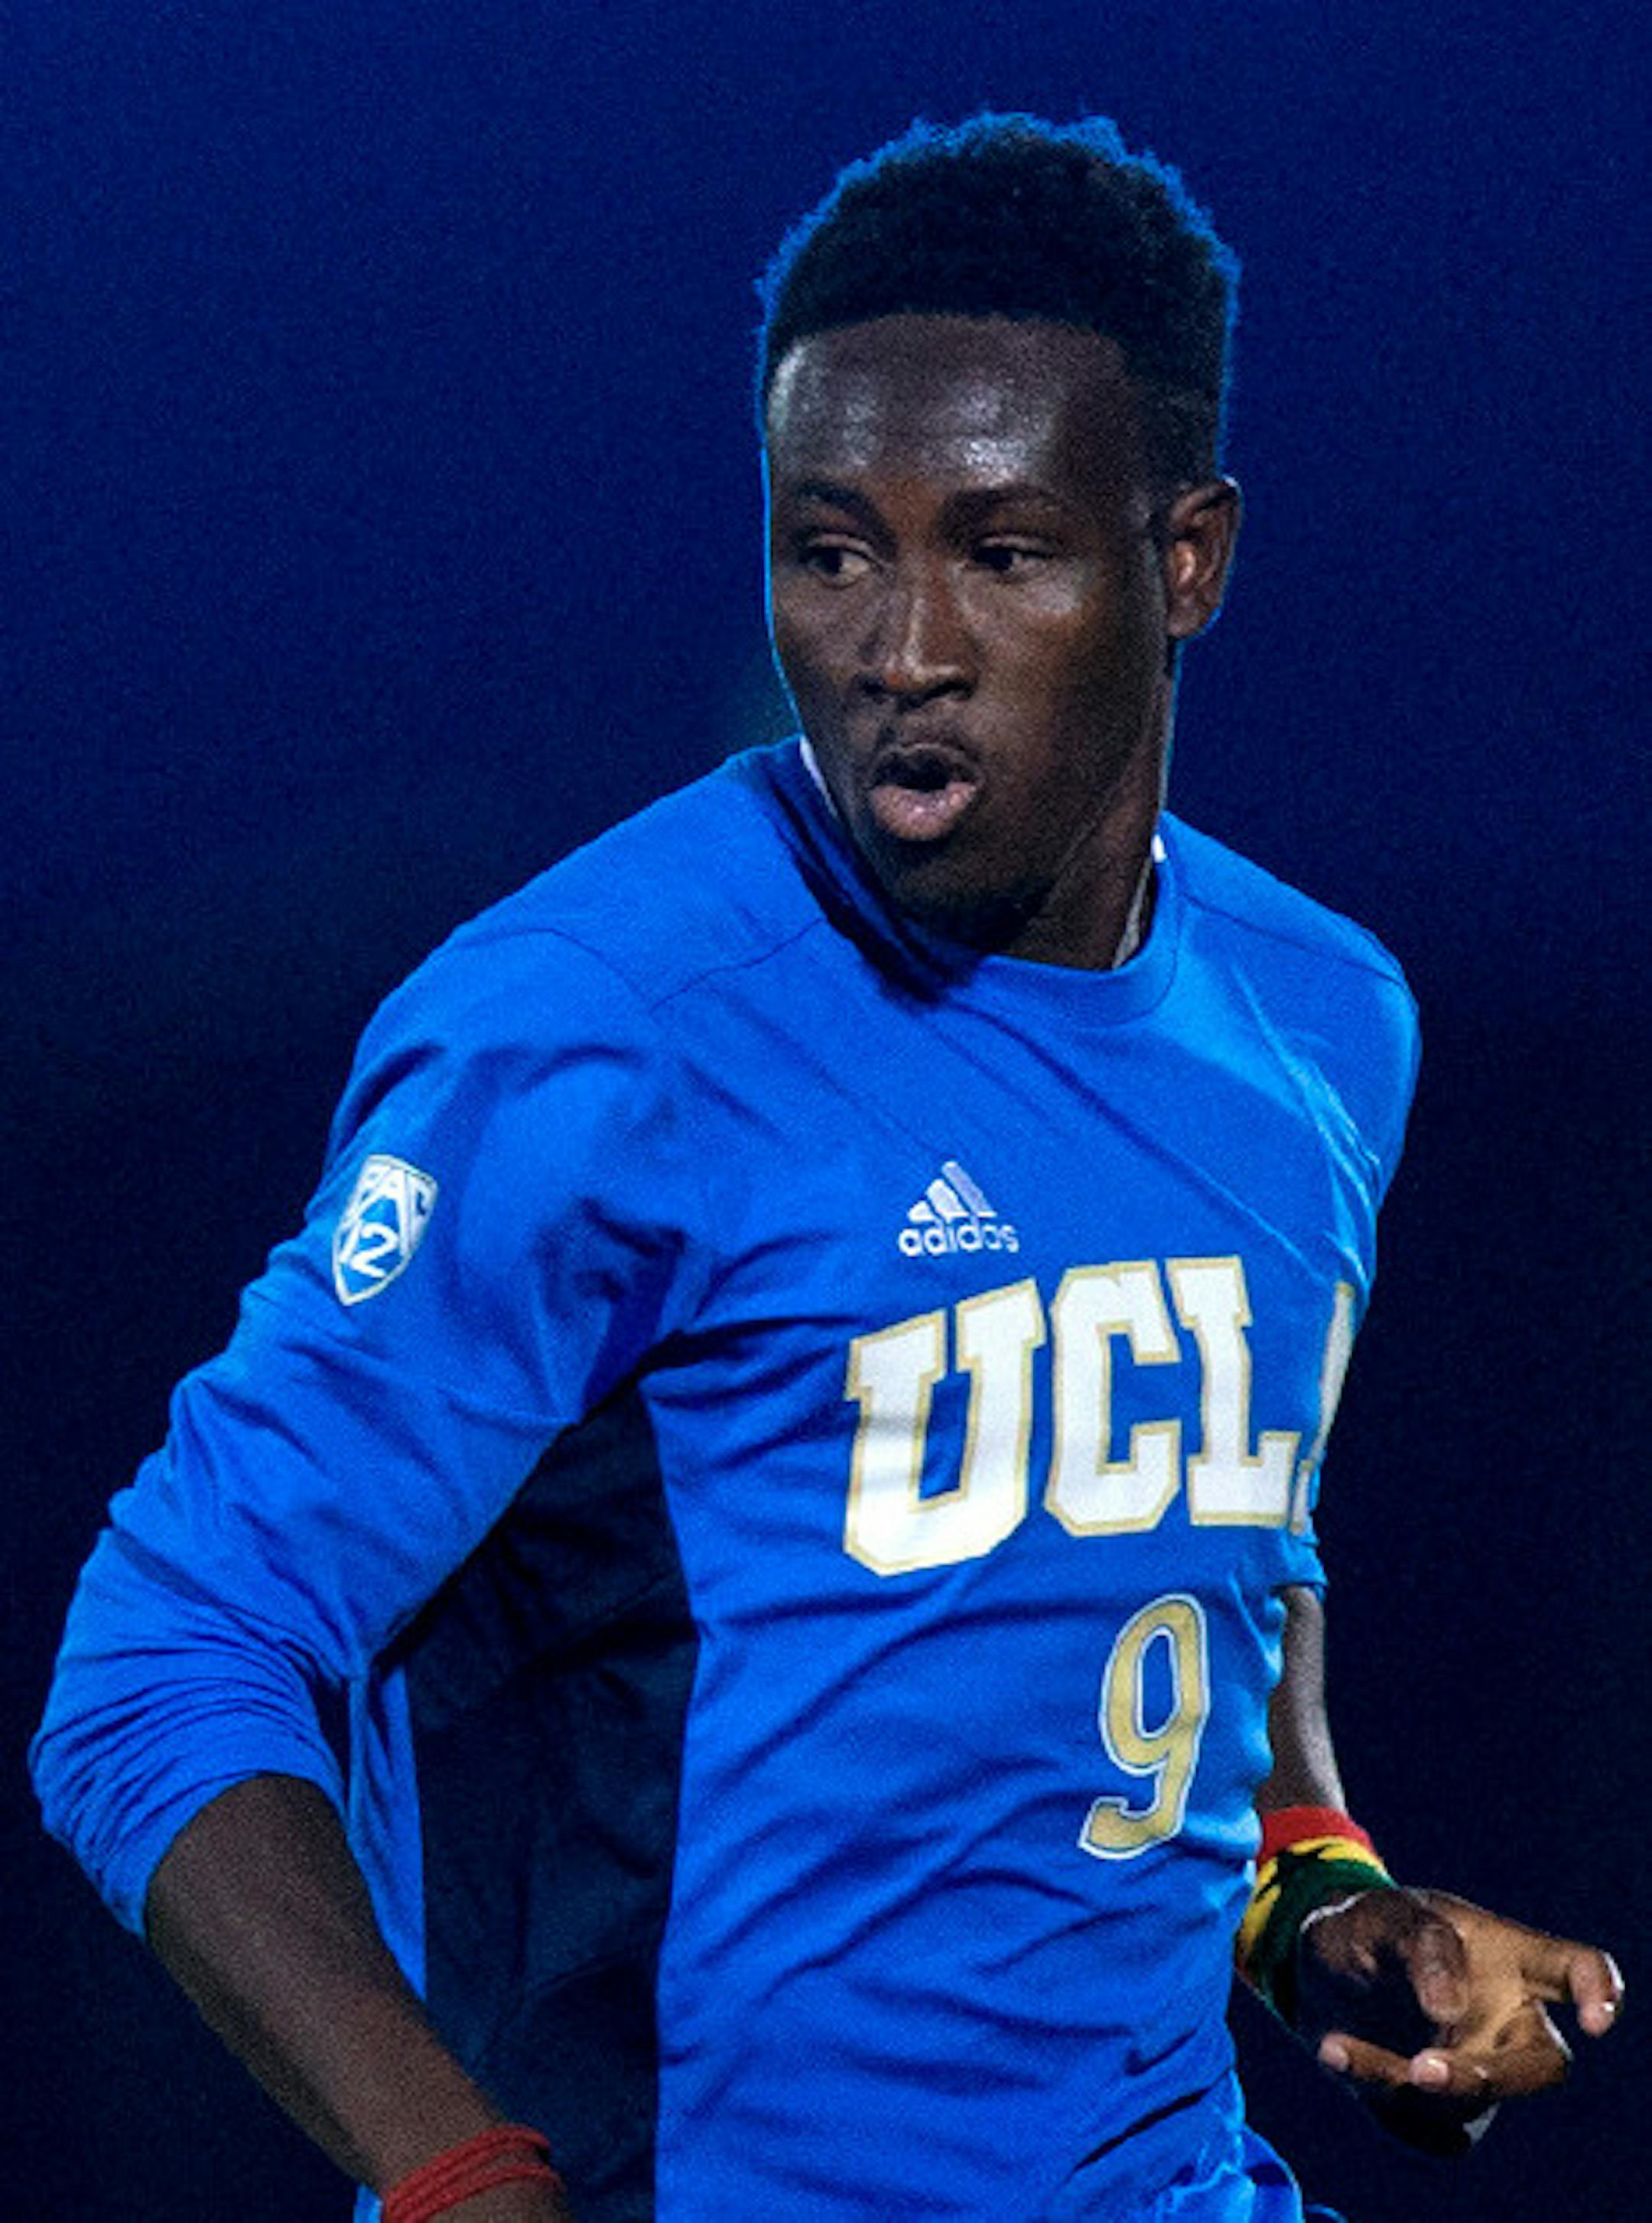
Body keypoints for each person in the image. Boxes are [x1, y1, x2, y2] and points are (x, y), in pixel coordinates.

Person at [33, 112, 1621, 2223]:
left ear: (1187, 562)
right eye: (834, 549)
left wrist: (1322, 1895)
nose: (901, 648)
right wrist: (459, 2178)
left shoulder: (1325, 1022)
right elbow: (160, 1659)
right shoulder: (593, 1033)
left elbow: (1222, 1537)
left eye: (1004, 552)